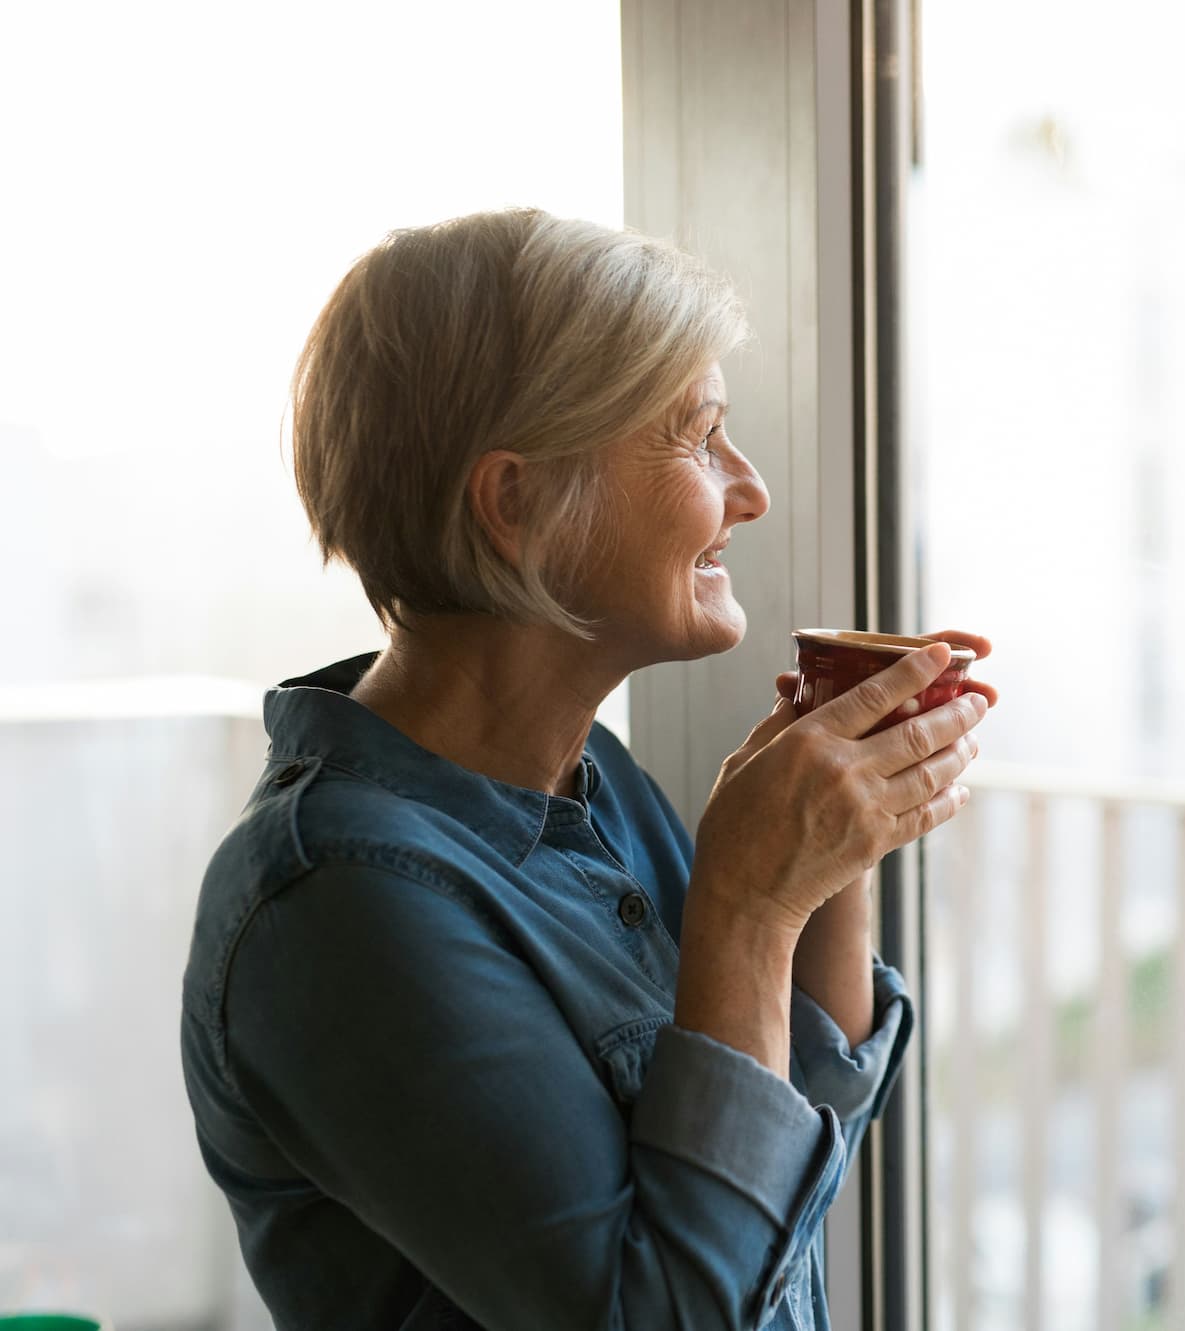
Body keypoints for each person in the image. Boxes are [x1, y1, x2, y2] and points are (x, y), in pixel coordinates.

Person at [179, 208, 994, 1330]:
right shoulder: (336, 900)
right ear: (516, 505)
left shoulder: (590, 783)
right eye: (698, 437)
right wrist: (747, 909)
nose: (745, 490)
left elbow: (784, 1179)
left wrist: (826, 855)